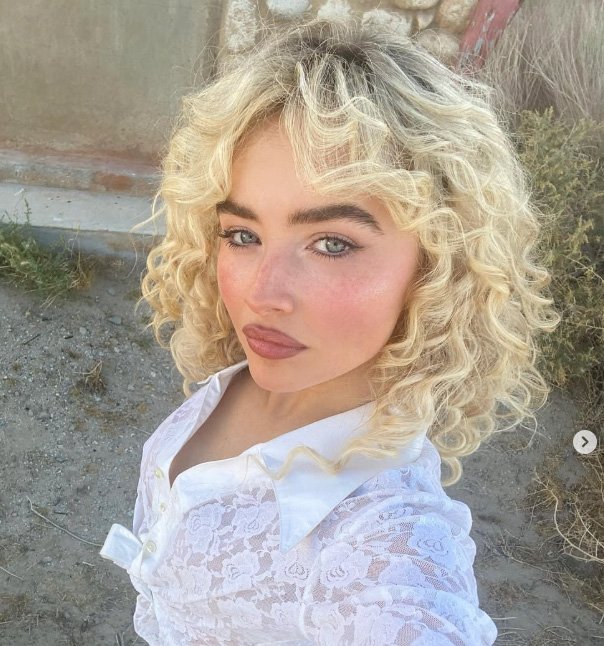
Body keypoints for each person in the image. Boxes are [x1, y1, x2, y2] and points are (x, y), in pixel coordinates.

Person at [100, 14, 559, 645]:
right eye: (242, 235)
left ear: (437, 267)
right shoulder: (257, 375)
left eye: (333, 244)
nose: (261, 295)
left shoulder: (386, 549)